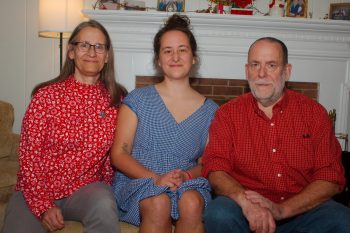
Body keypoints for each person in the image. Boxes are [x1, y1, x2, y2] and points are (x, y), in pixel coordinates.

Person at [202, 37, 350, 233]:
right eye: (255, 65)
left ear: (287, 71)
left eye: (271, 65)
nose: (262, 73)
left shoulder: (314, 114)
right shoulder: (227, 114)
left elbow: (330, 176)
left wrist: (282, 210)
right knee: (218, 213)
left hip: (302, 211)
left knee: (342, 219)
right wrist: (246, 203)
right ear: (247, 71)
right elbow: (215, 168)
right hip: (246, 210)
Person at [2, 20, 127, 233]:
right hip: (35, 189)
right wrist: (43, 206)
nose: (91, 52)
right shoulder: (45, 96)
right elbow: (28, 156)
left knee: (105, 204)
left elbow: (115, 157)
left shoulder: (118, 100)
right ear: (71, 51)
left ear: (107, 56)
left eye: (99, 46)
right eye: (84, 45)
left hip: (85, 190)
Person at [111, 14, 218, 233]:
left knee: (192, 202)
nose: (175, 57)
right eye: (167, 51)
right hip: (140, 179)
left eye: (182, 50)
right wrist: (157, 178)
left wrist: (187, 176)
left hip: (185, 182)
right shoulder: (138, 99)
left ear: (194, 57)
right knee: (159, 201)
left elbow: (207, 162)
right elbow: (119, 154)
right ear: (158, 60)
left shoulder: (211, 111)